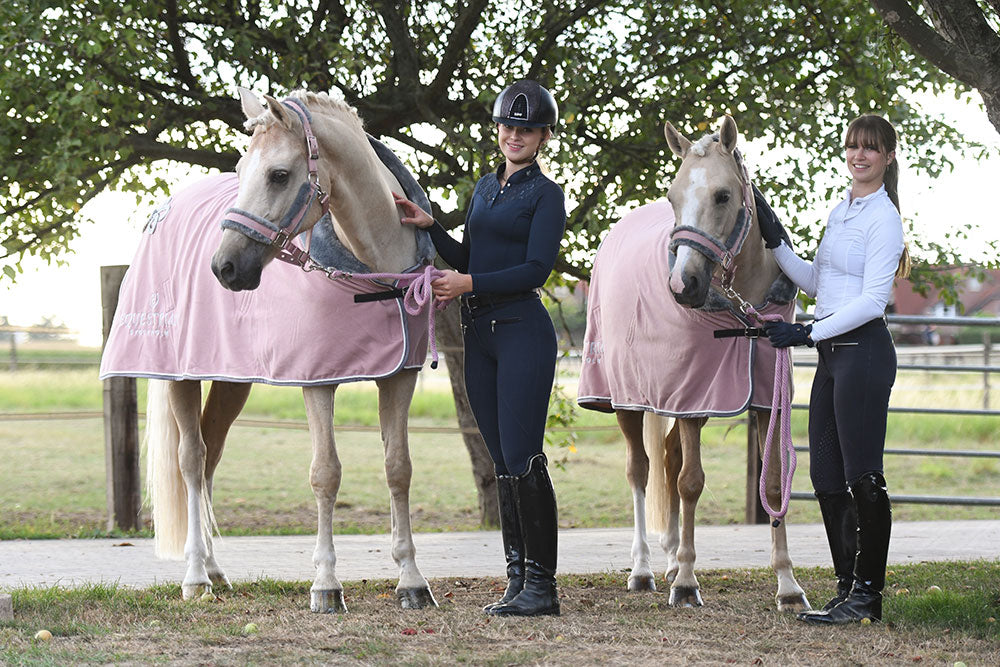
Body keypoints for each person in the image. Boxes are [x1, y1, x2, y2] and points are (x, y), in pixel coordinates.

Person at [393, 80, 566, 617]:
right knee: (501, 460)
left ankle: (542, 587)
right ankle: (516, 579)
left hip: (521, 330)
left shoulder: (546, 194)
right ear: (497, 130)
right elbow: (470, 254)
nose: (515, 136)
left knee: (523, 455)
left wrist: (466, 283)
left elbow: (537, 268)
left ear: (542, 137)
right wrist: (433, 227)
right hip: (480, 335)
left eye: (526, 129)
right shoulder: (484, 189)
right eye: (508, 127)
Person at [757, 114, 909, 625]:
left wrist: (806, 332)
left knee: (863, 474)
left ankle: (868, 595)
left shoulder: (883, 218)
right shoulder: (841, 212)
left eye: (870, 148)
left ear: (888, 157)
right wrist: (776, 239)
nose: (859, 156)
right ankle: (847, 589)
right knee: (824, 474)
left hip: (862, 353)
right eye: (852, 147)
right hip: (831, 356)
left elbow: (872, 301)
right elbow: (817, 282)